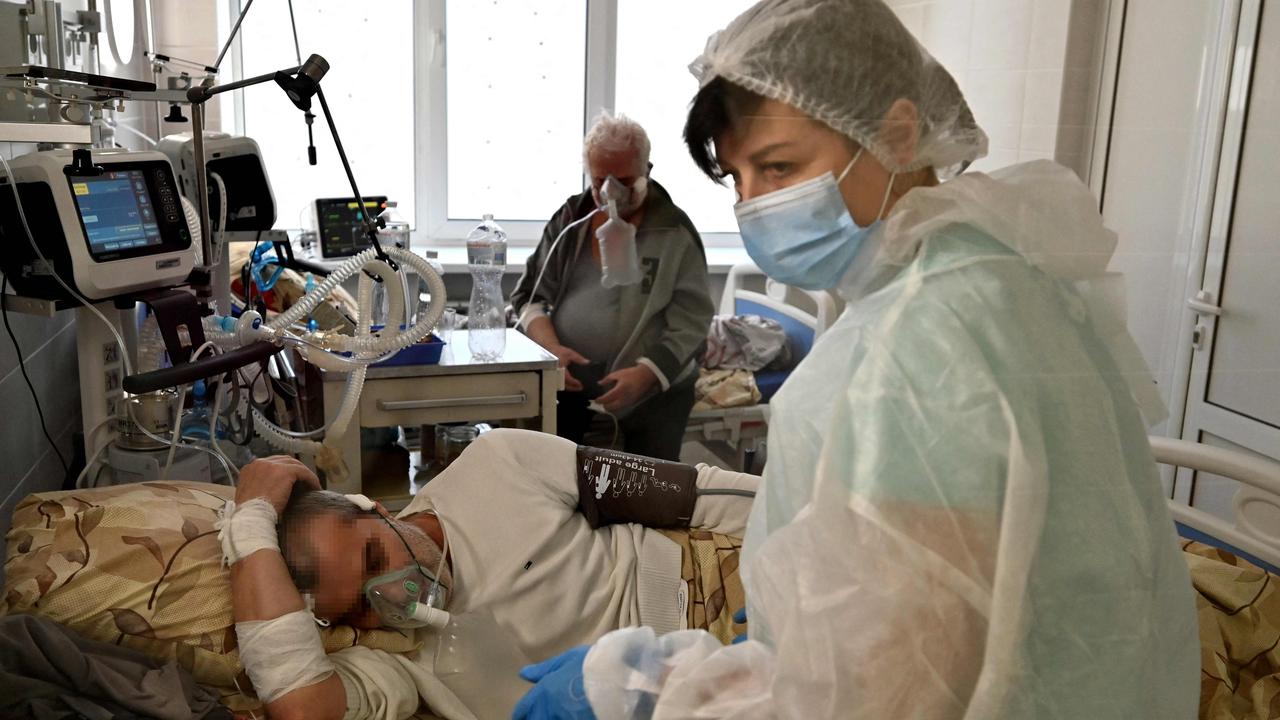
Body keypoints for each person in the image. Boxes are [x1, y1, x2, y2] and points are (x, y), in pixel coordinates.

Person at [514, 0, 1201, 718]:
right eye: (739, 179)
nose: (754, 208)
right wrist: (822, 603)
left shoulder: (927, 341)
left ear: (896, 133)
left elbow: (883, 697)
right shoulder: (994, 275)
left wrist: (655, 695)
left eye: (779, 167)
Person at [222, 428, 756, 719]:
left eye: (375, 558)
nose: (396, 595)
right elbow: (302, 708)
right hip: (674, 696)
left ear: (380, 509)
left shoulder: (498, 465)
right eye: (362, 604)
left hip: (718, 576)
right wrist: (251, 530)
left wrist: (817, 534)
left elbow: (694, 494)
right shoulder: (391, 651)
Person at [511, 113, 716, 461]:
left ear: (647, 170)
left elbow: (693, 321)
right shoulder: (570, 220)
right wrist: (552, 349)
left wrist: (648, 373)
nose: (609, 194)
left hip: (655, 392)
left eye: (623, 180)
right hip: (569, 383)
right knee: (559, 479)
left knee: (648, 491)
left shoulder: (674, 232)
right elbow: (529, 298)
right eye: (598, 181)